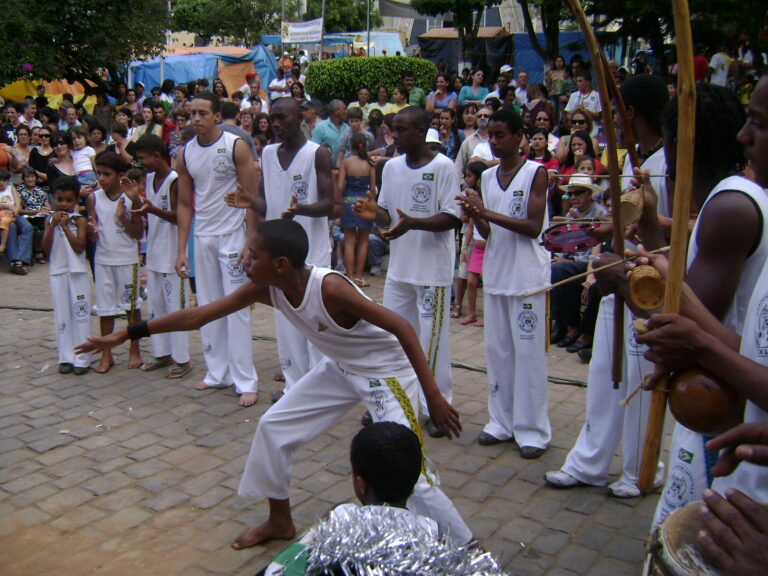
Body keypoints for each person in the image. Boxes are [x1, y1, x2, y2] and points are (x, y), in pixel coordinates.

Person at [75, 218, 473, 549]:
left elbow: (402, 327)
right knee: (273, 427)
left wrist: (433, 395)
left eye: (253, 254)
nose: (245, 259)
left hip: (386, 373)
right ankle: (279, 522)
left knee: (410, 472)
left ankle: (467, 546)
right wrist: (127, 334)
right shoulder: (265, 288)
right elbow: (199, 316)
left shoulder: (329, 287)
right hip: (340, 367)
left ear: (280, 263)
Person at [544, 73, 671, 498]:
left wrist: (642, 226)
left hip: (650, 287)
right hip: (619, 278)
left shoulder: (670, 165)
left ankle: (641, 468)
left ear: (631, 113)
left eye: (618, 111)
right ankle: (590, 461)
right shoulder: (637, 163)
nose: (613, 118)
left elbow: (682, 228)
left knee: (638, 375)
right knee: (604, 373)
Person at [353, 107, 461, 439]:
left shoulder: (444, 167)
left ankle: (436, 408)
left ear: (422, 130)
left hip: (432, 272)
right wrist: (375, 214)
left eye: (400, 130)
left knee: (432, 344)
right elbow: (387, 214)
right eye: (392, 130)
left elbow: (453, 217)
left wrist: (413, 222)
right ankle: (396, 405)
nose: (394, 136)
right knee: (393, 340)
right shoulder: (393, 167)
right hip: (399, 271)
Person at [457, 108, 551, 458]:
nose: (494, 142)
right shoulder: (487, 176)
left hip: (527, 277)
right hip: (497, 274)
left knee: (528, 355)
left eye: (500, 135)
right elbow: (487, 232)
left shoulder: (535, 173)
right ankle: (501, 420)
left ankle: (533, 430)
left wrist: (486, 212)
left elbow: (531, 226)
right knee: (498, 353)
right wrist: (475, 213)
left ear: (518, 136)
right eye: (490, 135)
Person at [229, 97, 335, 402]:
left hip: (311, 253)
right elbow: (267, 203)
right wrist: (250, 202)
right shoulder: (270, 153)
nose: (275, 124)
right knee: (287, 322)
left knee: (317, 324)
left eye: (282, 118)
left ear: (300, 116)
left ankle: (322, 389)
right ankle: (295, 385)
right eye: (271, 119)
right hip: (279, 258)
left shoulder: (318, 154)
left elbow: (331, 204)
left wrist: (301, 209)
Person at [175, 92, 260, 407]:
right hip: (204, 237)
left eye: (201, 113)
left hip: (233, 236)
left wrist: (251, 241)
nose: (195, 119)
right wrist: (182, 249)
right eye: (191, 113)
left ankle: (245, 379)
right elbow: (185, 204)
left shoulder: (235, 146)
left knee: (236, 310)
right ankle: (217, 372)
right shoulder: (184, 153)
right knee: (208, 306)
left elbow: (252, 196)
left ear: (215, 115)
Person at [124, 135, 191, 380]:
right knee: (158, 307)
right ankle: (162, 353)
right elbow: (148, 208)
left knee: (176, 308)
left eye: (143, 158)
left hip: (173, 253)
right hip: (154, 252)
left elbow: (179, 216)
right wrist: (137, 201)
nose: (142, 164)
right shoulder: (150, 178)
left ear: (156, 155)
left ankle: (182, 358)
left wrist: (151, 209)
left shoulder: (175, 180)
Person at [86, 152, 144, 373]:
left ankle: (135, 349)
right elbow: (94, 233)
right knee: (105, 309)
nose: (101, 178)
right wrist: (92, 232)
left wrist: (122, 218)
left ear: (120, 175)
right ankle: (107, 354)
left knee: (131, 308)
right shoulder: (94, 198)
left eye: (107, 174)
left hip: (127, 260)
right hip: (103, 260)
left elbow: (138, 233)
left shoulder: (131, 198)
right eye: (99, 173)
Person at [41, 177, 91, 374]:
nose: (63, 204)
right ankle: (66, 357)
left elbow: (80, 247)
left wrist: (64, 227)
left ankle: (83, 357)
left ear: (76, 200)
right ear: (54, 199)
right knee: (62, 316)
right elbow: (45, 248)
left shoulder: (80, 220)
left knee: (80, 315)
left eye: (68, 200)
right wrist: (52, 226)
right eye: (60, 200)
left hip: (77, 273)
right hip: (58, 272)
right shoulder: (49, 220)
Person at [338, 132, 376, 287]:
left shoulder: (345, 163)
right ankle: (359, 277)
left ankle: (350, 277)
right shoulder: (370, 164)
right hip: (365, 202)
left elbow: (340, 187)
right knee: (364, 241)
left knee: (349, 241)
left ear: (350, 146)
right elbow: (372, 189)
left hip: (348, 201)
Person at [458, 161, 488, 327]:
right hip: (476, 247)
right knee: (471, 281)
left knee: (488, 284)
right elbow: (470, 225)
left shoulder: (488, 198)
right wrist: (464, 247)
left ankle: (488, 315)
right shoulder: (472, 199)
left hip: (489, 247)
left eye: (470, 176)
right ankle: (471, 313)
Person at [311, 100, 349, 168]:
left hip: (346, 171)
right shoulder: (320, 127)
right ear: (336, 112)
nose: (347, 111)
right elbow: (313, 150)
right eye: (344, 109)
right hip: (326, 170)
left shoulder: (348, 128)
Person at [564, 71, 601, 137]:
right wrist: (576, 113)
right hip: (575, 130)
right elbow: (567, 114)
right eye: (577, 81)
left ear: (588, 82)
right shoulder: (573, 95)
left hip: (593, 132)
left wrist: (584, 111)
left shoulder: (597, 95)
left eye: (580, 81)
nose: (578, 83)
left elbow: (599, 115)